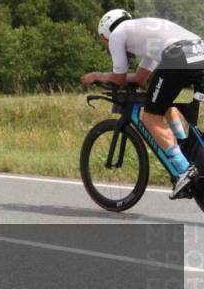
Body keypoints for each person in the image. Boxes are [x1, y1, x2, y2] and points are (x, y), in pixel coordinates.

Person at [82, 10, 204, 197]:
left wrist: (97, 76)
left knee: (150, 116)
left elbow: (118, 77)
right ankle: (182, 146)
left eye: (105, 41)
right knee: (162, 101)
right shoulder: (147, 32)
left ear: (107, 32)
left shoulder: (117, 33)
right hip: (198, 50)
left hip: (178, 55)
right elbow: (140, 78)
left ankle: (183, 169)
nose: (108, 43)